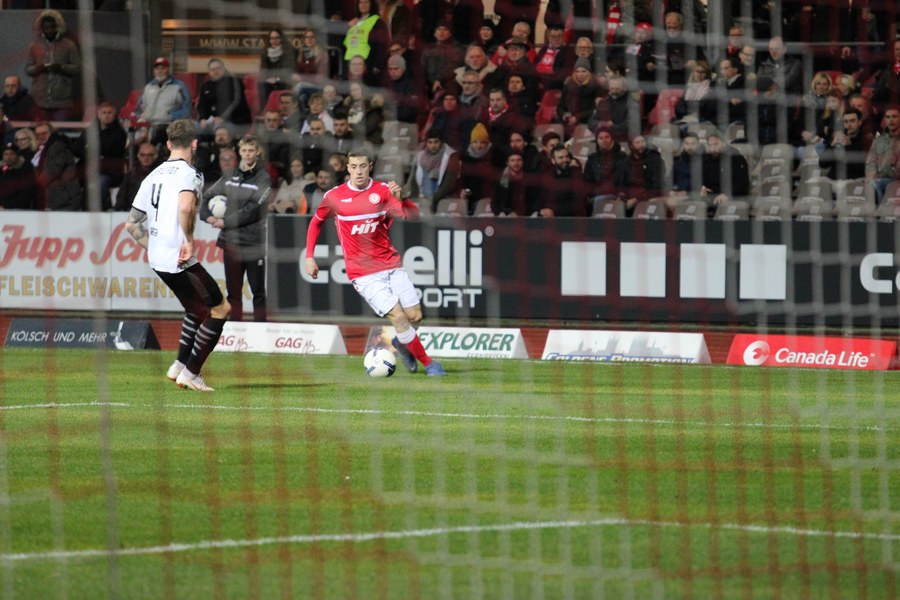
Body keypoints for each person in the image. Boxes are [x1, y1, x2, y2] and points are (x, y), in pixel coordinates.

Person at [304, 148, 447, 376]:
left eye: (363, 166)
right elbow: (315, 222)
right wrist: (309, 256)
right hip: (363, 273)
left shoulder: (383, 191)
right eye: (354, 167)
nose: (359, 171)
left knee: (415, 316)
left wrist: (402, 199)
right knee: (398, 316)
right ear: (348, 168)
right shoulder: (334, 196)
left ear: (370, 167)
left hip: (391, 264)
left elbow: (413, 217)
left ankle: (402, 343)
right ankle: (430, 364)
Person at [125, 119, 231, 392]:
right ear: (194, 143)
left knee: (196, 308)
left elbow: (132, 224)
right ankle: (192, 373)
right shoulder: (190, 174)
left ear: (168, 144)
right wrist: (189, 241)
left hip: (158, 259)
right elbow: (186, 207)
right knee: (220, 309)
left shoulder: (152, 175)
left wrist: (155, 246)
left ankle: (179, 366)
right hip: (179, 258)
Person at [201, 134, 273, 322]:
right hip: (231, 243)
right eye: (244, 150)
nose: (248, 154)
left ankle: (260, 329)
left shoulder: (263, 178)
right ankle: (235, 329)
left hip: (253, 243)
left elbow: (253, 210)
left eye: (251, 150)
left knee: (258, 291)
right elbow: (206, 197)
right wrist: (207, 216)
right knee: (233, 292)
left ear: (257, 152)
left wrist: (226, 222)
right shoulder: (229, 176)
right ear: (239, 152)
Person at [24, 10, 82, 121]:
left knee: (62, 130)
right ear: (42, 29)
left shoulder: (68, 45)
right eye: (46, 28)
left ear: (57, 27)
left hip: (62, 101)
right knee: (41, 130)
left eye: (52, 27)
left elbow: (77, 68)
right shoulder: (35, 45)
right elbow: (28, 69)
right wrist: (39, 68)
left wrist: (61, 67)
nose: (49, 30)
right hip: (39, 101)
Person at [74, 101, 128, 211]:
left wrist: (90, 149)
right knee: (70, 180)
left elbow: (111, 151)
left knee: (99, 182)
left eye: (109, 113)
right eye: (104, 113)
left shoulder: (119, 133)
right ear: (99, 114)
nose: (107, 115)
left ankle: (100, 211)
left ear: (114, 115)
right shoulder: (90, 129)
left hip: (109, 172)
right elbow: (77, 148)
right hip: (87, 169)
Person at [133, 56, 193, 146]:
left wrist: (170, 116)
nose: (160, 71)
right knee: (130, 135)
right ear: (154, 71)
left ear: (168, 69)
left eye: (163, 68)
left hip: (168, 124)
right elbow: (138, 109)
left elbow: (187, 110)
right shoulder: (148, 87)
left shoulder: (179, 86)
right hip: (147, 125)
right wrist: (141, 118)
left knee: (158, 133)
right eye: (157, 69)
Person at [404, 128, 460, 211]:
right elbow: (414, 181)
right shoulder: (420, 156)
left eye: (436, 142)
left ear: (441, 142)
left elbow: (449, 184)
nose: (433, 145)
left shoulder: (451, 156)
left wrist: (432, 200)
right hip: (423, 200)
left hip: (443, 199)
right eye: (430, 142)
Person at [33, 121, 82, 211]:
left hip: (65, 197)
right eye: (38, 134)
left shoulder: (58, 146)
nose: (41, 136)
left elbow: (54, 170)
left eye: (44, 133)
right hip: (57, 197)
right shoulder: (45, 148)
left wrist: (37, 182)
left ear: (51, 133)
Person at [197, 58, 252, 133]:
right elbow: (201, 105)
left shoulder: (234, 82)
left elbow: (236, 103)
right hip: (211, 121)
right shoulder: (205, 86)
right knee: (194, 128)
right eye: (213, 69)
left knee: (219, 129)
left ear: (224, 69)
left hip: (234, 121)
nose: (216, 71)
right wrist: (202, 119)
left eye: (218, 68)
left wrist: (223, 118)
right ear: (209, 72)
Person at [700, 131, 750, 208]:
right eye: (710, 145)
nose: (713, 149)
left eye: (716, 144)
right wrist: (703, 188)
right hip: (713, 197)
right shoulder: (707, 159)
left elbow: (742, 183)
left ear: (724, 143)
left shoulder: (736, 157)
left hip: (733, 197)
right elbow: (703, 179)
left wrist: (727, 195)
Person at [865, 105, 900, 204]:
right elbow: (870, 162)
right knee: (871, 184)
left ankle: (880, 211)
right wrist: (871, 176)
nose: (891, 120)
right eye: (888, 117)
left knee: (877, 185)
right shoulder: (878, 141)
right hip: (878, 179)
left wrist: (880, 175)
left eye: (894, 117)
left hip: (895, 180)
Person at [258, 28, 297, 107]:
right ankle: (266, 110)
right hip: (269, 80)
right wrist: (267, 78)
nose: (274, 40)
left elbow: (289, 71)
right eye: (272, 38)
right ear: (269, 40)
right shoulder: (265, 52)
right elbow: (263, 70)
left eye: (277, 38)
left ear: (281, 39)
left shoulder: (288, 51)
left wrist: (277, 79)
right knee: (263, 84)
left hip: (283, 80)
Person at [115, 142, 158, 211]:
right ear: (138, 156)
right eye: (142, 155)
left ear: (155, 157)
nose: (146, 158)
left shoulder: (160, 173)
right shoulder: (132, 173)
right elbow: (122, 194)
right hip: (131, 209)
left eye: (149, 155)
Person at [0, 142, 38, 210]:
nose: (8, 157)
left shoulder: (25, 169)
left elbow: (26, 194)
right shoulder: (2, 169)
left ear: (17, 155)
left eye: (11, 154)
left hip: (18, 210)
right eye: (6, 154)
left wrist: (6, 206)